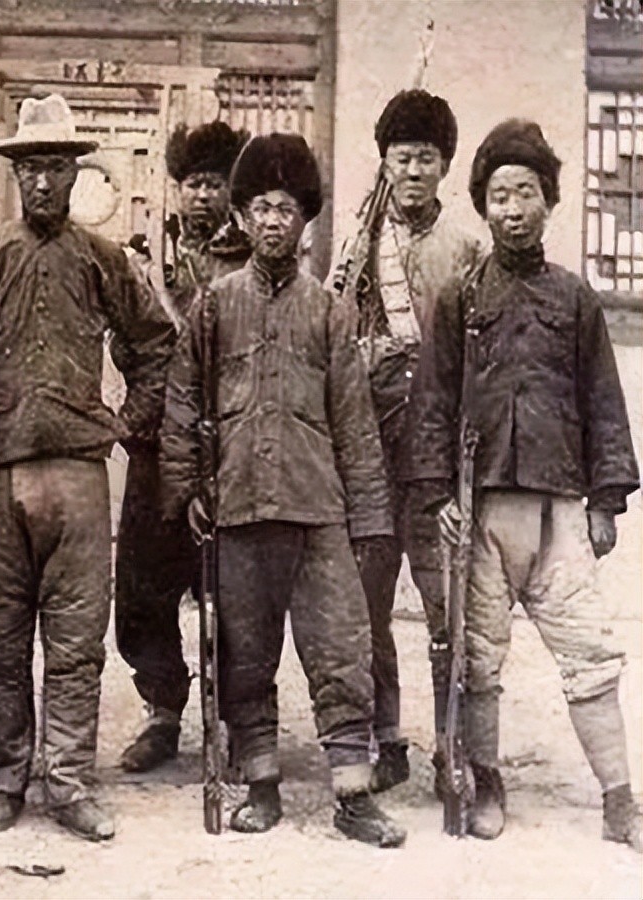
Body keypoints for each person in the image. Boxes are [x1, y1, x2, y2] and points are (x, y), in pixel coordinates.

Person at [159, 133, 405, 847]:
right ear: (241, 216)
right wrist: (189, 489)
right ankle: (261, 786)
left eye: (286, 210)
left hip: (317, 508)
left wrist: (369, 521)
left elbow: (354, 423)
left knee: (341, 649)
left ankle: (353, 796)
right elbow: (182, 402)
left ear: (305, 222)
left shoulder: (329, 311)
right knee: (246, 652)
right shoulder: (214, 306)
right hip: (238, 507)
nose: (273, 222)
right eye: (261, 208)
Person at [0, 94, 175, 842]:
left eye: (56, 168)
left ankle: (70, 782)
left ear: (76, 174)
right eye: (30, 169)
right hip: (0, 475)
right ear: (15, 176)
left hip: (78, 475)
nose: (43, 182)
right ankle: (4, 777)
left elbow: (156, 345)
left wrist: (128, 420)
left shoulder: (104, 260)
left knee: (75, 643)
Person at [404, 119, 641, 850]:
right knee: (477, 660)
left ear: (550, 201)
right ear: (483, 205)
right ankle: (486, 781)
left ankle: (620, 798)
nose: (513, 210)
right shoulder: (461, 297)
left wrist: (605, 502)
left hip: (559, 512)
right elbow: (433, 399)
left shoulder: (575, 299)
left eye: (526, 193)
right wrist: (439, 495)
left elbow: (603, 400)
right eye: (500, 196)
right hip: (481, 513)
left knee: (589, 652)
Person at [333, 89, 484, 792]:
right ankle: (383, 736)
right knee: (367, 606)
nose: (414, 171)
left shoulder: (468, 250)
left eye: (426, 158)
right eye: (402, 158)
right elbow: (334, 341)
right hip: (371, 448)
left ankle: (453, 746)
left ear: (444, 165)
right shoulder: (359, 244)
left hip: (438, 456)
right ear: (385, 164)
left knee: (446, 603)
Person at [117, 120, 250, 773]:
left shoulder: (250, 257)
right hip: (155, 445)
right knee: (144, 584)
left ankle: (235, 718)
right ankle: (162, 711)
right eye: (194, 184)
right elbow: (125, 337)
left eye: (216, 184)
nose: (203, 196)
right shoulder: (147, 254)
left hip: (227, 443)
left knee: (231, 587)